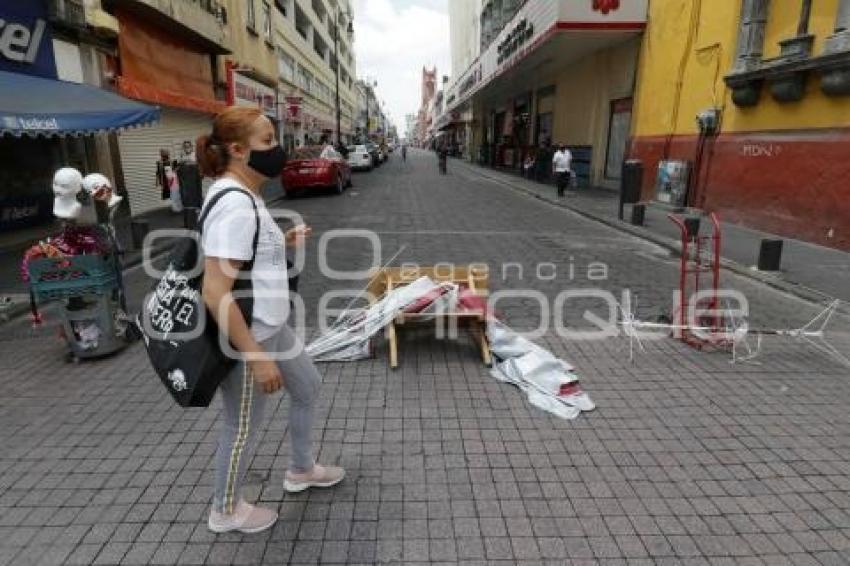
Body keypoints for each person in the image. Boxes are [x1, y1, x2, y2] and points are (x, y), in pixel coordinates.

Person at [195, 107, 344, 535]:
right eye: (267, 142)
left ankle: (300, 469)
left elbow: (250, 253)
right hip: (250, 338)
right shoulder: (236, 205)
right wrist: (257, 358)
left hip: (271, 325)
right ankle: (224, 511)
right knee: (242, 423)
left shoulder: (246, 195)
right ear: (239, 151)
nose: (278, 150)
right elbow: (214, 291)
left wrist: (284, 239)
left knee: (308, 386)